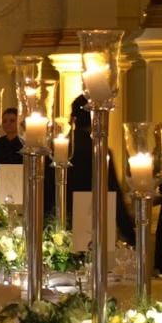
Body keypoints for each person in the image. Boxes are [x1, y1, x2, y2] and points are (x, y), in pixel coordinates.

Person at [67, 95, 134, 246]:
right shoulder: (101, 151)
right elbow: (114, 193)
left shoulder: (58, 148)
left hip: (62, 223)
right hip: (96, 221)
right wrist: (131, 235)